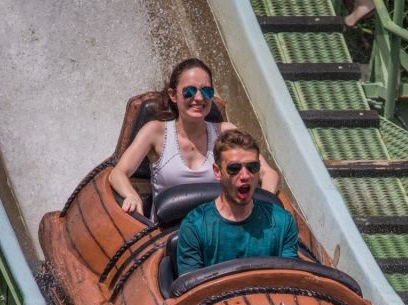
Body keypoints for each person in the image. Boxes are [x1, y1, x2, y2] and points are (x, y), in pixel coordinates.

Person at [109, 58, 280, 215]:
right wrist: (131, 195)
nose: (198, 98)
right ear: (172, 95)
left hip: (217, 227)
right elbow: (117, 173)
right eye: (189, 91)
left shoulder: (226, 132)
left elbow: (269, 173)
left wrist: (262, 203)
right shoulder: (155, 132)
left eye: (206, 91)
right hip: (167, 230)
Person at [177, 129, 297, 275]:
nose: (245, 175)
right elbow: (191, 286)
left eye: (252, 167)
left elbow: (290, 280)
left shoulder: (283, 222)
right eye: (234, 168)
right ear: (217, 172)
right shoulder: (194, 227)